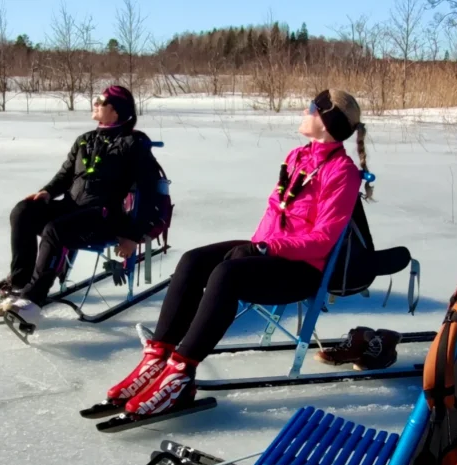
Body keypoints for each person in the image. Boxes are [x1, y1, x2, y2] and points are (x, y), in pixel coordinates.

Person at [103, 88, 384, 417]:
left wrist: (265, 248)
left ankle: (180, 375)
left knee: (227, 276)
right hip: (268, 253)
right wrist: (254, 249)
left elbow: (323, 238)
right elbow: (274, 213)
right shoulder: (298, 157)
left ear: (326, 121)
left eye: (311, 108)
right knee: (193, 260)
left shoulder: (342, 172)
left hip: (301, 270)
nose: (304, 112)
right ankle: (157, 358)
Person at [0, 85, 163, 324]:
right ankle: (20, 283)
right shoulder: (85, 140)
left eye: (101, 101)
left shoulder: (133, 144)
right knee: (23, 211)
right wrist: (47, 192)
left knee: (55, 229)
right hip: (72, 207)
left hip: (104, 216)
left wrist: (133, 236)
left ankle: (31, 303)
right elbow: (64, 177)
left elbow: (149, 193)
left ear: (115, 111)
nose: (95, 103)